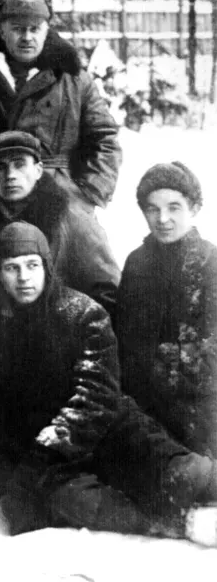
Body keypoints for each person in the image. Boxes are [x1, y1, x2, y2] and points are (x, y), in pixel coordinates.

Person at [0, 222, 217, 540]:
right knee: (71, 501)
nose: (24, 277)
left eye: (32, 265)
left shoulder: (83, 315)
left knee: (188, 476)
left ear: (47, 266)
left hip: (111, 433)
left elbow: (97, 398)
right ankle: (181, 524)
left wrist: (48, 447)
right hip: (55, 463)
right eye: (12, 268)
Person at [0, 0, 121, 215]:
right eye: (18, 29)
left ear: (46, 30)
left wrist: (87, 193)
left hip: (64, 208)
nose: (26, 37)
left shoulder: (74, 80)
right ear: (2, 31)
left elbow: (105, 139)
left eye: (35, 29)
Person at [116, 162, 217, 457]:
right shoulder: (136, 263)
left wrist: (154, 364)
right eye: (152, 209)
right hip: (143, 408)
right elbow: (123, 340)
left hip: (199, 412)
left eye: (174, 208)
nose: (162, 219)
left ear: (193, 208)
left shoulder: (210, 262)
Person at [0, 131, 119, 316]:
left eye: (19, 164)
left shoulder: (73, 221)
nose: (10, 175)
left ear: (38, 170)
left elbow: (107, 292)